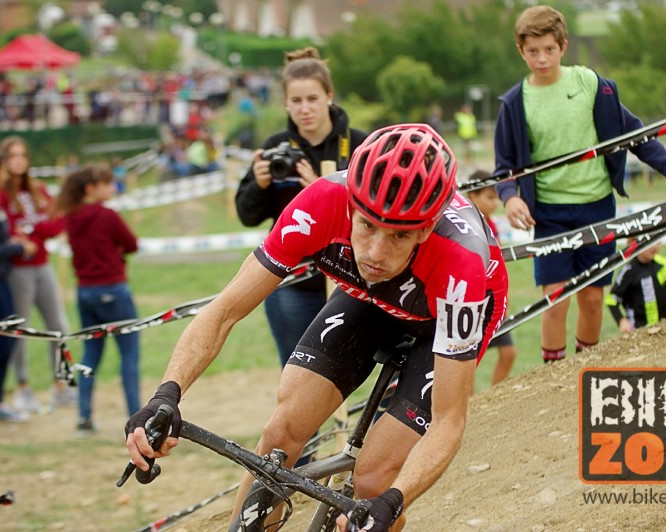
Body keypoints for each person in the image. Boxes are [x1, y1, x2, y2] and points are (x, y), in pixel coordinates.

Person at [125, 124, 509, 532]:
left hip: (442, 316)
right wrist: (166, 394)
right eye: (367, 226)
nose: (376, 252)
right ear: (350, 207)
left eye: (399, 235)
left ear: (426, 229)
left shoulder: (461, 262)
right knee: (280, 434)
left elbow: (450, 420)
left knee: (375, 479)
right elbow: (224, 312)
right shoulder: (321, 203)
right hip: (369, 298)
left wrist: (391, 503)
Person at [494, 5, 666, 363]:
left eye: (549, 50)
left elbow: (634, 131)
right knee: (555, 300)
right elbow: (504, 167)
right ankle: (552, 375)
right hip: (549, 216)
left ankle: (585, 368)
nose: (542, 59)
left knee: (592, 298)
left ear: (563, 46)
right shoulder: (514, 103)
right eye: (533, 51)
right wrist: (510, 198)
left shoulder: (590, 84)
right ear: (520, 51)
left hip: (598, 207)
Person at [235, 47, 368, 367]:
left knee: (354, 368)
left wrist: (320, 192)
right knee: (296, 370)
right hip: (291, 282)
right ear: (285, 103)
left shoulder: (362, 144)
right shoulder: (275, 148)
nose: (305, 109)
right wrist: (260, 183)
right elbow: (247, 215)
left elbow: (377, 215)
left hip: (353, 278)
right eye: (296, 101)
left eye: (312, 99)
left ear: (329, 96)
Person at [54, 164, 141, 437]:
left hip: (85, 292)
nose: (112, 187)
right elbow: (131, 244)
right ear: (91, 188)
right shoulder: (108, 216)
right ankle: (136, 419)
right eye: (107, 183)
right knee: (129, 355)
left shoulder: (71, 217)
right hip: (113, 290)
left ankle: (84, 417)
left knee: (90, 356)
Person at [0, 136, 73, 413]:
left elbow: (57, 222)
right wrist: (33, 230)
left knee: (58, 327)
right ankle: (23, 387)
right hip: (18, 271)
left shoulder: (38, 189)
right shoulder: (1, 194)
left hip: (42, 264)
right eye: (13, 155)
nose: (18, 160)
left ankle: (62, 386)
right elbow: (6, 232)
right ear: (5, 160)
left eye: (22, 155)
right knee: (21, 330)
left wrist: (33, 230)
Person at [0, 150, 37, 422]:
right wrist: (16, 246)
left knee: (5, 343)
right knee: (1, 344)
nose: (7, 174)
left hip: (1, 280)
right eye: (3, 170)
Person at [466, 170, 518, 386]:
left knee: (509, 352)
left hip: (492, 299)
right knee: (465, 358)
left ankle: (494, 397)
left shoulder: (491, 225)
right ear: (472, 196)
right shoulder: (465, 226)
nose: (495, 203)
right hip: (469, 300)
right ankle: (467, 405)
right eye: (489, 198)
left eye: (496, 197)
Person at [605, 240, 666, 333]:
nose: (654, 246)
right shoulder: (629, 271)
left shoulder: (663, 264)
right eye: (649, 242)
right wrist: (621, 321)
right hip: (637, 332)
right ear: (633, 244)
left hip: (663, 330)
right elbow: (611, 300)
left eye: (657, 241)